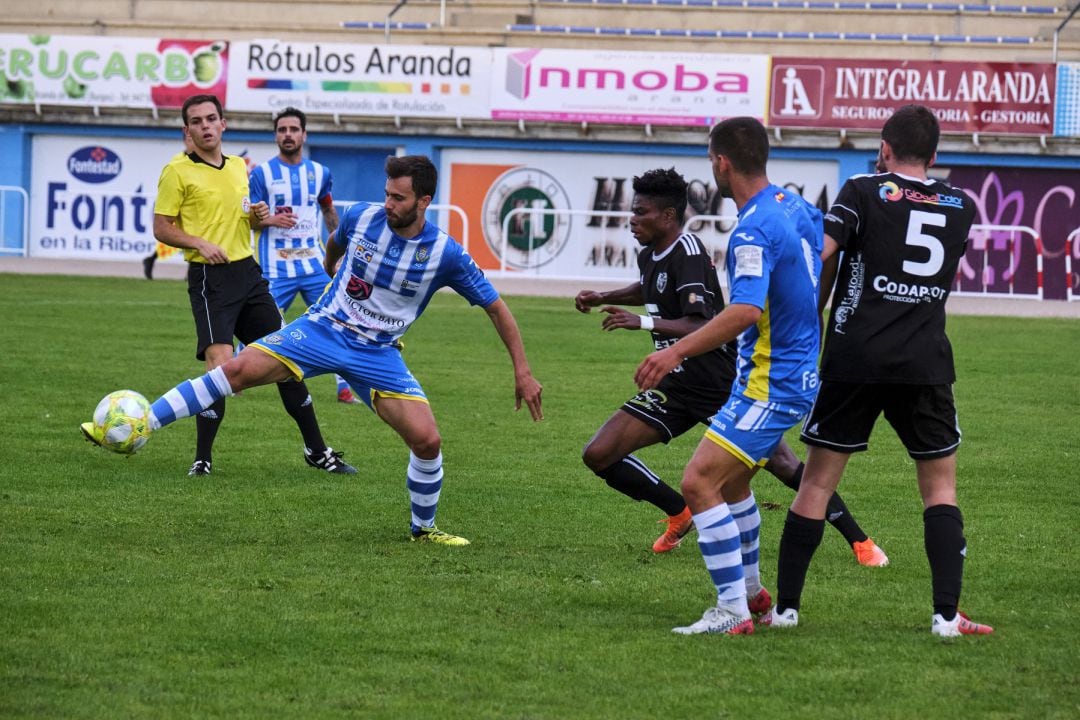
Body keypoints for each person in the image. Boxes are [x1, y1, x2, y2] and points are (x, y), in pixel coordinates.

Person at [82, 154, 543, 546]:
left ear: (424, 201)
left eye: (399, 198)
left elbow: (497, 308)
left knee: (428, 440)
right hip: (324, 329)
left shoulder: (445, 254)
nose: (388, 204)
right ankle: (143, 421)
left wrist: (522, 371)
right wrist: (330, 276)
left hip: (378, 353)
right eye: (387, 193)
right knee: (239, 369)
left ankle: (423, 530)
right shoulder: (363, 216)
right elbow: (334, 247)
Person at [576, 167, 886, 569]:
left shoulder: (688, 253)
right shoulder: (650, 252)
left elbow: (703, 321)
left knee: (785, 465)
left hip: (718, 384)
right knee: (599, 453)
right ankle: (680, 513)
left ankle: (860, 541)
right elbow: (650, 285)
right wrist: (604, 295)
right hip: (676, 385)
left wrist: (644, 323)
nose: (632, 220)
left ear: (668, 216)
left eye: (641, 212)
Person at [762, 105, 993, 637]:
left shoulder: (863, 189)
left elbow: (818, 253)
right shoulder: (961, 204)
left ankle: (787, 611)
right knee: (940, 490)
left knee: (816, 484)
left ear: (884, 148)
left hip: (855, 357)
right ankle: (945, 618)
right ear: (935, 156)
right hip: (924, 361)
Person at [84, 93, 355, 478]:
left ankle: (317, 451)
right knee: (220, 370)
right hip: (211, 280)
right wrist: (198, 243)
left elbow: (245, 219)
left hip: (250, 273)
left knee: (287, 362)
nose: (206, 126)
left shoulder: (238, 168)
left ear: (223, 124)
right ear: (188, 130)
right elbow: (162, 226)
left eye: (212, 118)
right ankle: (203, 459)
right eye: (197, 121)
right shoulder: (176, 171)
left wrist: (258, 216)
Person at [633, 118, 824, 635]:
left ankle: (731, 611)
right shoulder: (794, 205)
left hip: (771, 381)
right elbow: (822, 258)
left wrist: (674, 354)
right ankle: (754, 593)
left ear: (722, 163)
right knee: (734, 483)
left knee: (698, 481)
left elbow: (742, 311)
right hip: (787, 372)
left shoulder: (752, 227)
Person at [248, 107, 360, 406]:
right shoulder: (262, 174)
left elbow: (327, 209)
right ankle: (235, 377)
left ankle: (344, 387)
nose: (288, 134)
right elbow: (249, 219)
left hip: (314, 264)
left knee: (342, 319)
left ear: (303, 134)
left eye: (293, 129)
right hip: (276, 265)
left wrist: (340, 251)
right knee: (259, 324)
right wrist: (271, 220)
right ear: (275, 136)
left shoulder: (320, 173)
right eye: (282, 130)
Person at [142, 130, 195, 280]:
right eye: (189, 139)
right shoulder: (177, 160)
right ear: (185, 141)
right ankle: (152, 259)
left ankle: (152, 260)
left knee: (193, 237)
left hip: (190, 207)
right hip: (177, 207)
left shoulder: (201, 160)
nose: (192, 142)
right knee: (183, 238)